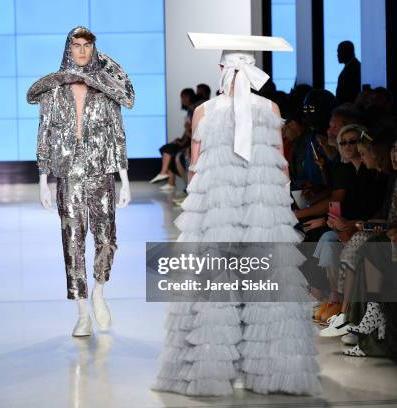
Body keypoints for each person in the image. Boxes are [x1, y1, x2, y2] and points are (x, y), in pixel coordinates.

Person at [153, 33, 320, 396]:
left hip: (215, 212)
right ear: (253, 69)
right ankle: (274, 374)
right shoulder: (271, 110)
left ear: (220, 69)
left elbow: (195, 169)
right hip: (263, 211)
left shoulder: (203, 112)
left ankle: (207, 373)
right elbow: (281, 169)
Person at [27, 26, 134, 337]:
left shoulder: (106, 89)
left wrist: (124, 178)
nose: (82, 51)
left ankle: (99, 292)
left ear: (93, 48)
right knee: (72, 241)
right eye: (77, 45)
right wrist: (42, 179)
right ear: (68, 49)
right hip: (69, 174)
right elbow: (44, 134)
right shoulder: (54, 91)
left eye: (87, 45)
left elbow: (117, 134)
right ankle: (82, 311)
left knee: (107, 238)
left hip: (101, 171)